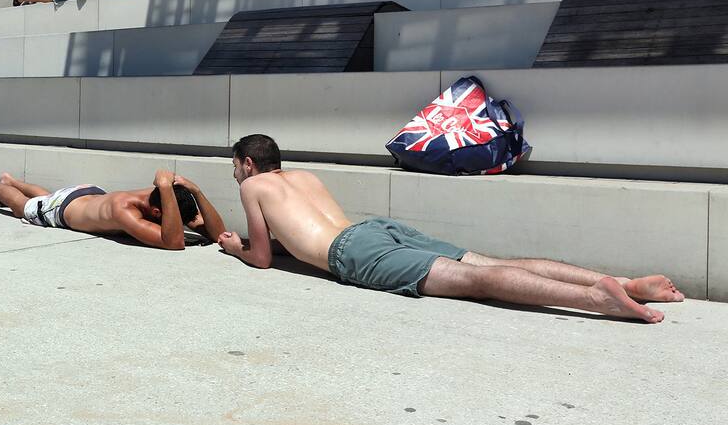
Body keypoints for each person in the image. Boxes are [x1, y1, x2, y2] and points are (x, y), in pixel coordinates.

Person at [217, 134, 683, 324]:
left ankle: (597, 299)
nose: (235, 174)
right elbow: (299, 237)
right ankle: (624, 283)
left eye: (236, 166)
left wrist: (236, 248)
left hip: (353, 252)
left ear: (249, 163)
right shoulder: (303, 176)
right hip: (375, 229)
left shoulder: (253, 186)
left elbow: (262, 257)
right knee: (491, 262)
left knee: (477, 281)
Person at [0, 169, 226, 250]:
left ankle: (12, 181)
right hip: (65, 209)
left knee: (47, 198)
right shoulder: (124, 210)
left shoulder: (165, 199)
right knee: (24, 208)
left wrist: (196, 191)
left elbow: (218, 235)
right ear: (158, 213)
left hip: (88, 196)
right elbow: (174, 243)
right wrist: (166, 186)